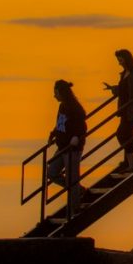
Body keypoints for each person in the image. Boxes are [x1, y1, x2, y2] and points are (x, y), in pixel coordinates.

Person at [46, 80, 87, 212]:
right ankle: (78, 190)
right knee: (51, 172)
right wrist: (52, 134)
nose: (54, 96)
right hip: (62, 147)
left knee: (72, 178)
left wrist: (76, 136)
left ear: (62, 93)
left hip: (72, 148)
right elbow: (60, 124)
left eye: (56, 93)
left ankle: (74, 208)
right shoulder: (62, 106)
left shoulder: (74, 106)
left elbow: (82, 124)